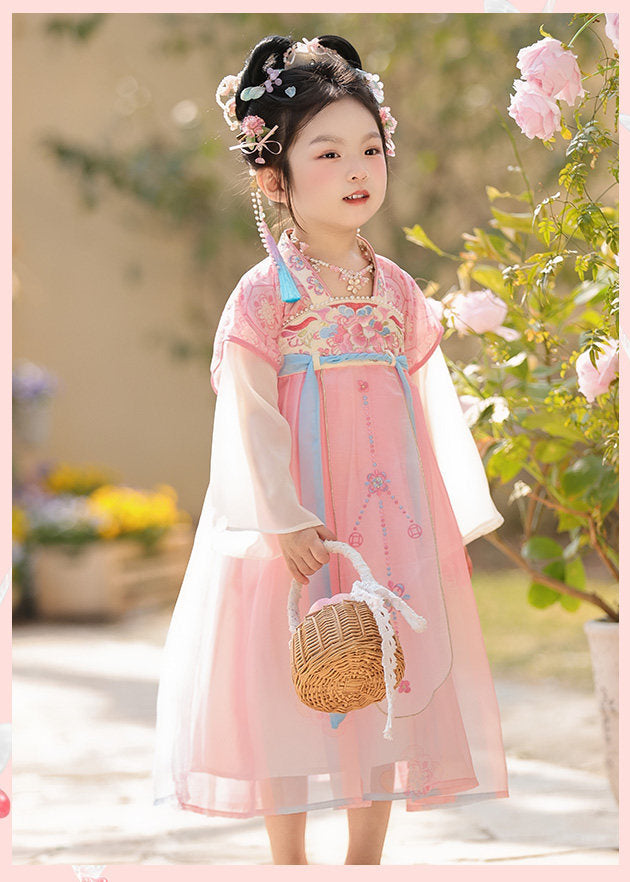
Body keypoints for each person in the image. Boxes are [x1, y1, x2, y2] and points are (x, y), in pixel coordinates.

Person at [153, 34, 509, 866]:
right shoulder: (266, 293)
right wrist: (279, 516)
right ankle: (289, 858)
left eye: (370, 149)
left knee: (382, 665)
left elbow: (425, 404)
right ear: (274, 177)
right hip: (301, 518)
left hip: (387, 513)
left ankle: (364, 855)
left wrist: (445, 512)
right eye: (329, 151)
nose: (358, 169)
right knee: (291, 676)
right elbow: (248, 411)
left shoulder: (397, 291)